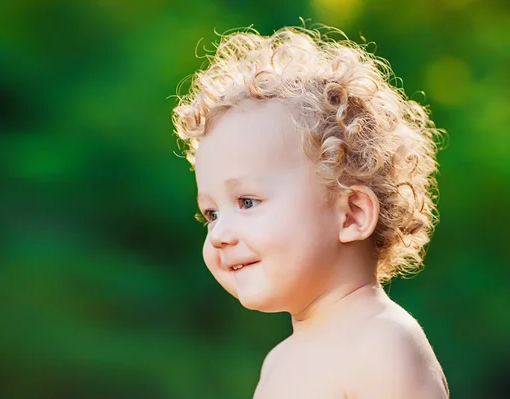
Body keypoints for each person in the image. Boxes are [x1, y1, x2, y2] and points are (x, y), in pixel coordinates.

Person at [171, 25, 449, 398]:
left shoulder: (382, 343)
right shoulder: (278, 363)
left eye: (247, 202)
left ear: (350, 214)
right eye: (211, 214)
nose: (219, 235)